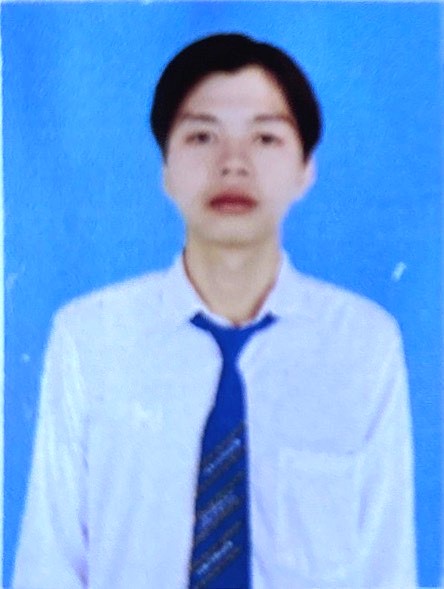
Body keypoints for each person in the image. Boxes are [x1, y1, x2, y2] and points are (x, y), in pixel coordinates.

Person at [12, 33, 416, 589]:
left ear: (306, 169)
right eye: (202, 136)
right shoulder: (91, 337)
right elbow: (49, 560)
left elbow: (388, 566)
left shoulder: (362, 343)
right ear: (166, 167)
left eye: (265, 138)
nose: (233, 164)